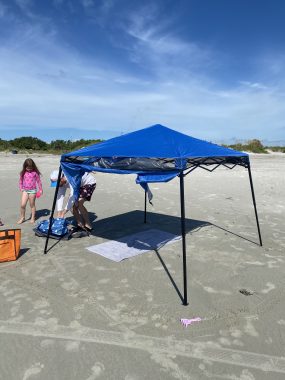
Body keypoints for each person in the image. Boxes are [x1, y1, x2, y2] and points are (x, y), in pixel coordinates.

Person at [18, 158, 43, 224]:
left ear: (33, 166)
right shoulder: (23, 173)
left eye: (30, 168)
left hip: (32, 191)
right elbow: (20, 181)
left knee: (32, 204)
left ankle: (32, 217)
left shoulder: (35, 173)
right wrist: (21, 188)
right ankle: (22, 217)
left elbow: (39, 181)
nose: (29, 169)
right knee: (22, 205)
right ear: (25, 166)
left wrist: (40, 190)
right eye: (27, 168)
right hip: (25, 190)